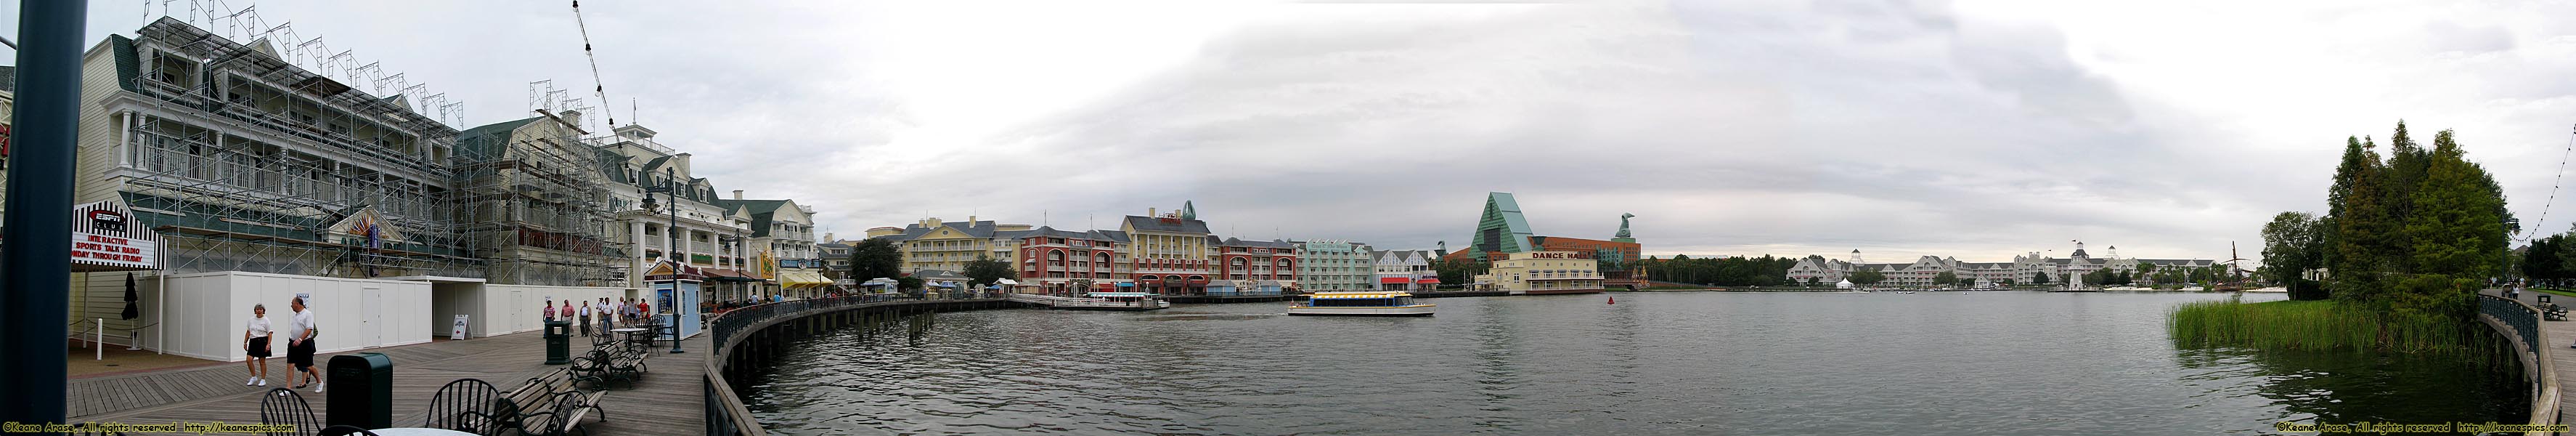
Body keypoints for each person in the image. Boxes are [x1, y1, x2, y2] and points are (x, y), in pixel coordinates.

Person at [284, 296, 322, 392]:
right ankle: (288, 389)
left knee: (309, 366)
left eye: (292, 303)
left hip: (305, 343)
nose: (291, 306)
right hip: (293, 343)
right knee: (290, 365)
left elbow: (309, 329)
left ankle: (319, 382)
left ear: (297, 304)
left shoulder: (308, 314)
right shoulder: (295, 316)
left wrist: (300, 339)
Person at [242, 304, 273, 387]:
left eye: (261, 309)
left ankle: (263, 380)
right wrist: (245, 342)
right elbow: (248, 331)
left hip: (263, 341)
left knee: (262, 361)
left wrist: (268, 344)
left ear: (263, 311)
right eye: (257, 309)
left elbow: (270, 333)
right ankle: (254, 377)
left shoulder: (266, 320)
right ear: (255, 311)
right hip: (253, 341)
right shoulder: (251, 320)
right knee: (249, 360)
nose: (259, 311)